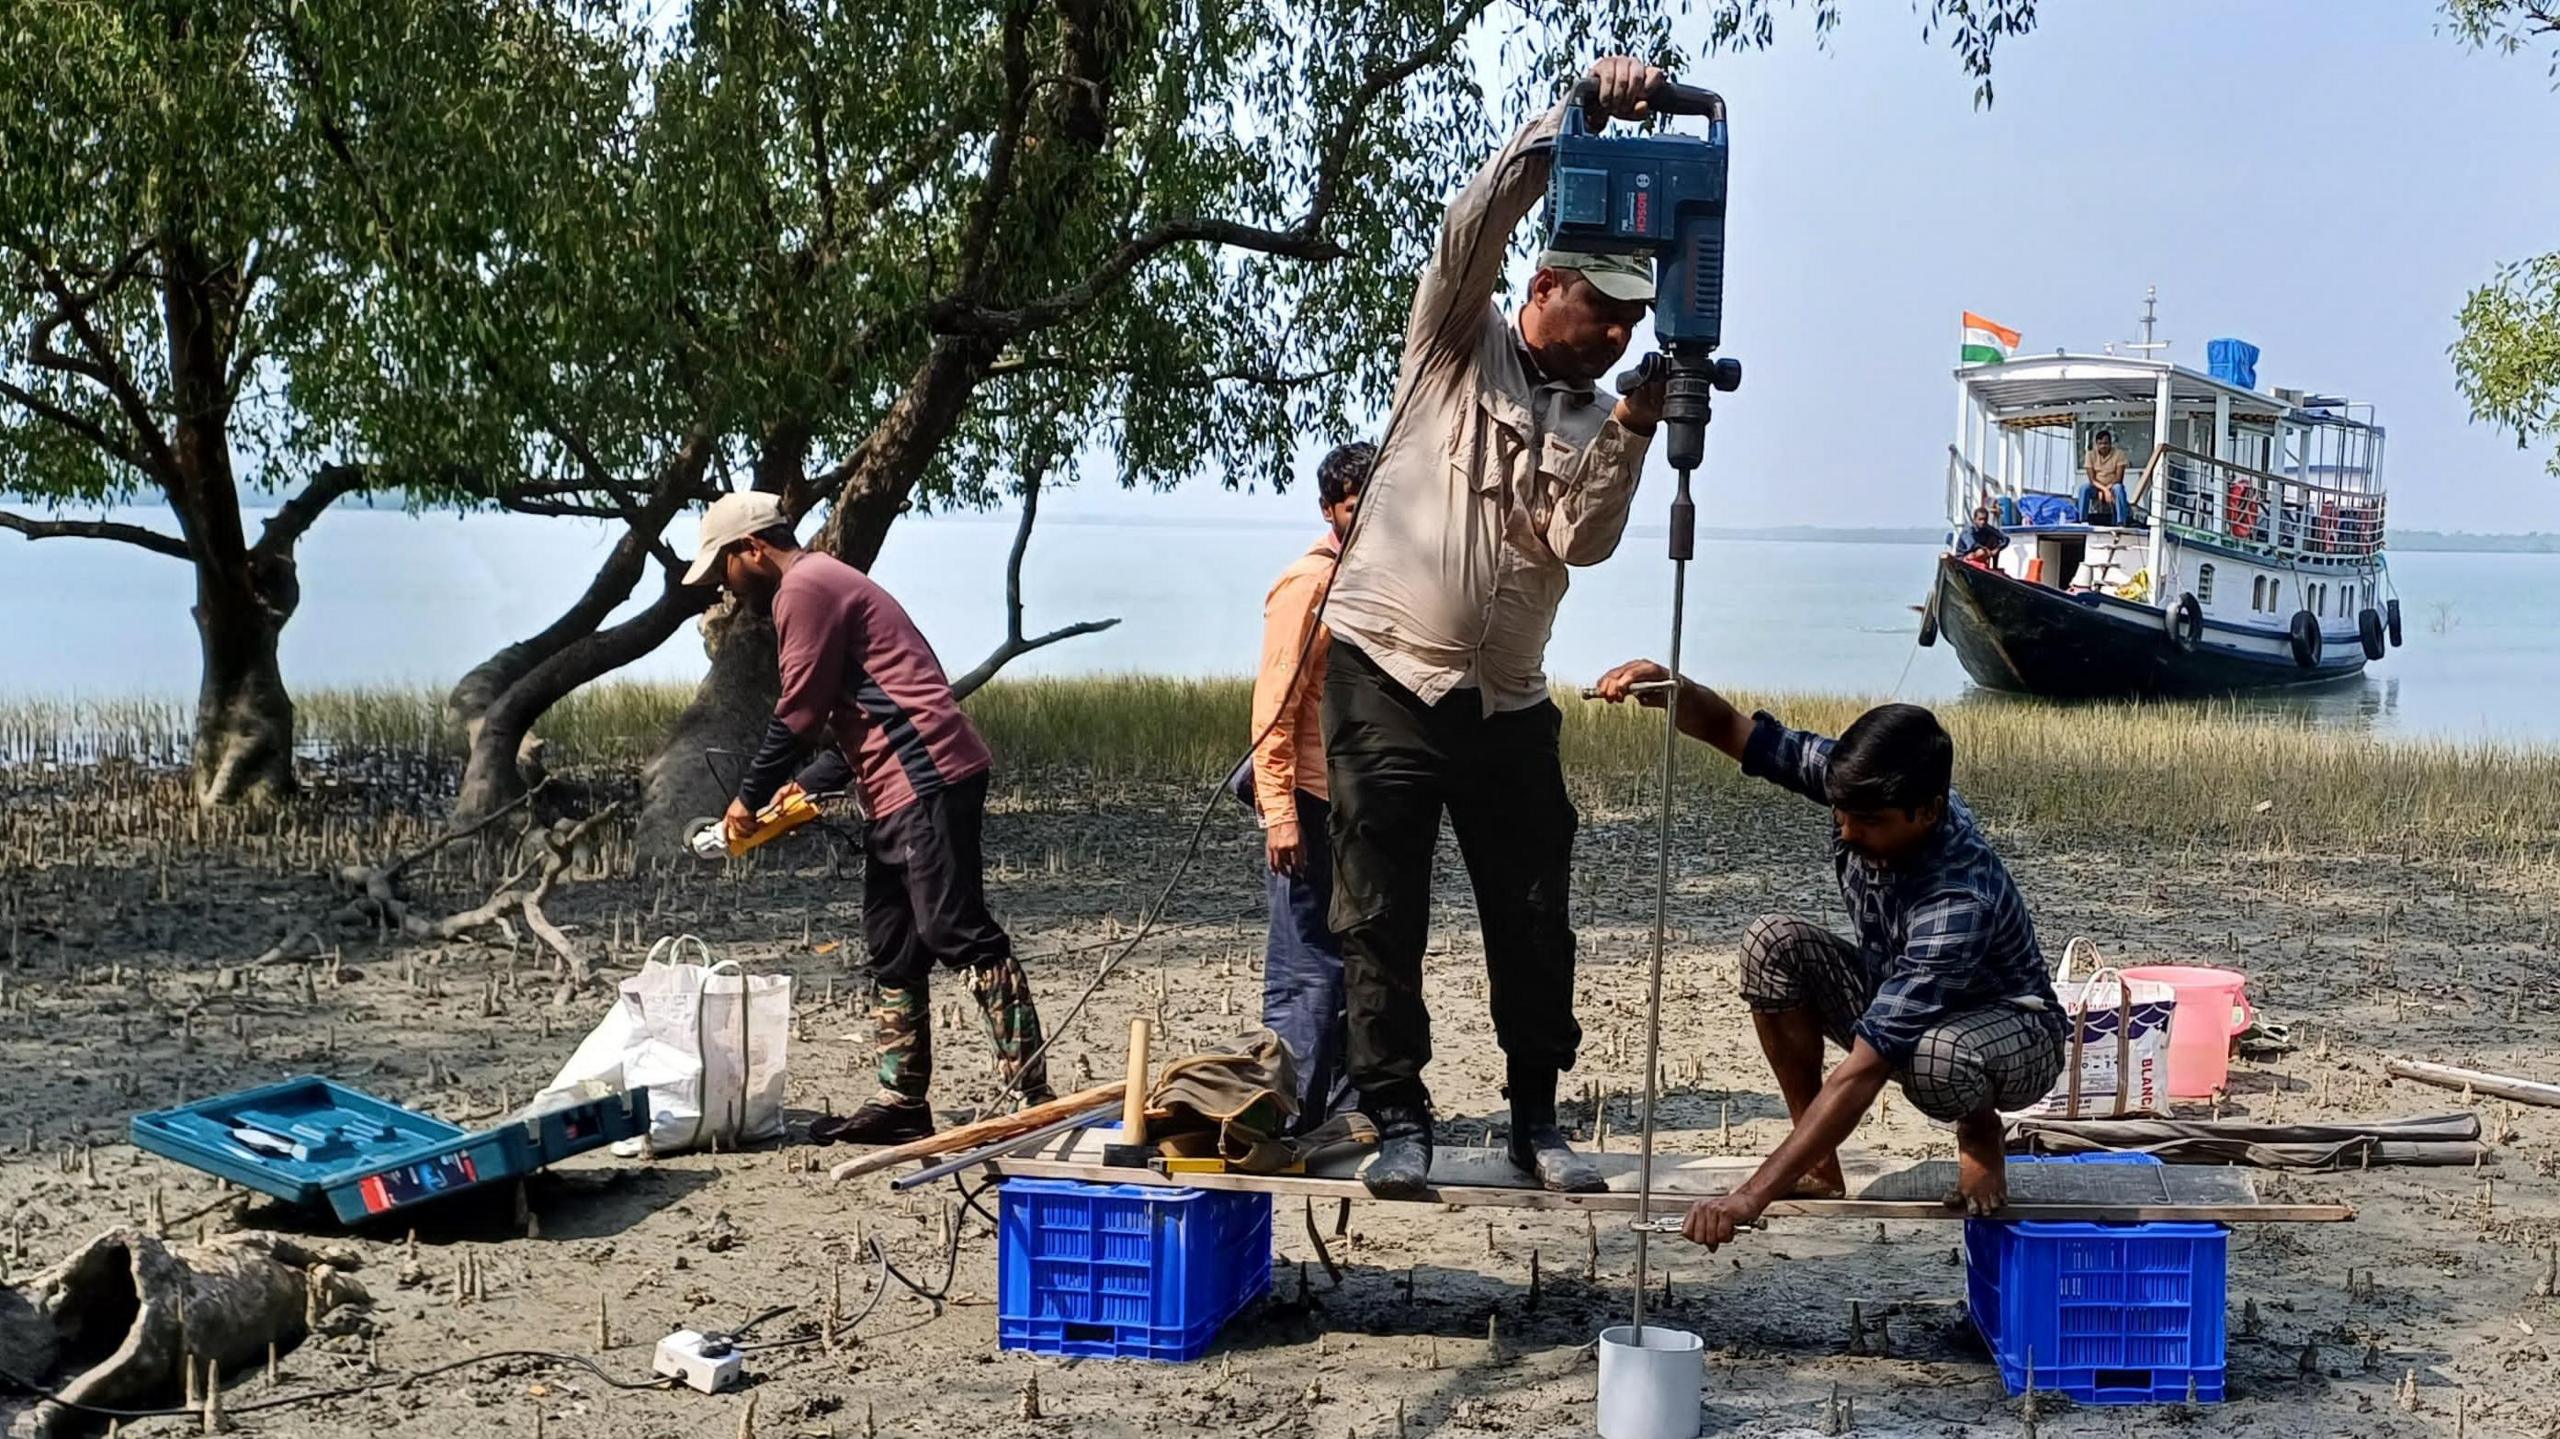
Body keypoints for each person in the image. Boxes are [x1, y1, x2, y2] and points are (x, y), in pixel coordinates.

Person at [1319, 55, 1670, 1199]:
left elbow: (1582, 541)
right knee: (1380, 911)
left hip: (1508, 700)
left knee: (1532, 915)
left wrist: (1631, 430)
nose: (1613, 337)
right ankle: (1398, 1116)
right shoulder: (1452, 341)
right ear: (1543, 285)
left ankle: (1535, 1118)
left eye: (1629, 324)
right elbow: (1469, 221)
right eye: (1599, 312)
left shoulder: (1593, 408)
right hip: (1384, 672)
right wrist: (1569, 119)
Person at [1588, 663, 2066, 1241]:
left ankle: (1979, 1126)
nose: (1845, 831)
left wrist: (1748, 1198)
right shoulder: (1861, 780)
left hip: (2015, 1030)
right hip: (1902, 987)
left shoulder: (1958, 898)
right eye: (1839, 812)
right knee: (1773, 943)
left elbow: (1865, 1070)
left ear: (1931, 811)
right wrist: (1671, 690)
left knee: (1936, 1060)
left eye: (1867, 822)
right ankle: (1818, 1167)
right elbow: (1735, 730)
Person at [685, 490, 1053, 1145]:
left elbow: (797, 714)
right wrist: (789, 796)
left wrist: (744, 801)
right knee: (893, 942)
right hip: (893, 783)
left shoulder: (803, 588)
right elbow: (846, 719)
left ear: (751, 548)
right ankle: (901, 1102)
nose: (721, 583)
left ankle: (1032, 1094)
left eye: (722, 567)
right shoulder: (823, 582)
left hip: (928, 775)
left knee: (955, 930)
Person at [1248, 440, 1371, 1134]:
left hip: (1357, 801)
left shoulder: (1373, 577)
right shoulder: (1307, 583)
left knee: (1358, 959)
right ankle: (1288, 1110)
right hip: (1307, 797)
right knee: (1304, 967)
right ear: (1330, 510)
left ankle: (1348, 1105)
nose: (1367, 518)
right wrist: (1279, 812)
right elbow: (1274, 705)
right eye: (1354, 507)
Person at [2080, 429, 2130, 526]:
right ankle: (2083, 520)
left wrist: (2108, 489)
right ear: (2096, 444)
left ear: (2111, 443)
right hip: (2096, 487)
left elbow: (2119, 478)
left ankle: (2121, 522)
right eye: (2100, 443)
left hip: (2113, 486)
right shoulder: (2090, 455)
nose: (2103, 446)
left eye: (2106, 443)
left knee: (2119, 488)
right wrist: (2104, 490)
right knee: (2084, 488)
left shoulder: (2119, 454)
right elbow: (2092, 480)